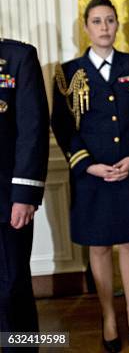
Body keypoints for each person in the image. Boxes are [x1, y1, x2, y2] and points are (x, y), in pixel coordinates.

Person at [51, 0, 129, 352]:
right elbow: (63, 125)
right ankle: (108, 316)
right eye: (96, 21)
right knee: (98, 247)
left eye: (110, 20)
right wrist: (87, 164)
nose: (104, 27)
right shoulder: (67, 72)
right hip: (92, 176)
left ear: (117, 25)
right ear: (86, 27)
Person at [0, 39, 49, 352]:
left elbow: (32, 128)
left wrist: (24, 194)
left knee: (10, 287)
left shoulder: (18, 57)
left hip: (6, 199)